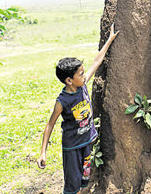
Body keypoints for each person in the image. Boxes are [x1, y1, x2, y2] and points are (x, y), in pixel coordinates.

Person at [37, 24, 119, 194]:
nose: (84, 75)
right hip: (72, 147)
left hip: (86, 143)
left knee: (83, 180)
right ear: (69, 80)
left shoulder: (82, 85)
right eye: (80, 74)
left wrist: (109, 40)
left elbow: (97, 61)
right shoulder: (62, 101)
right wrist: (43, 152)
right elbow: (49, 125)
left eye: (83, 72)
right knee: (72, 184)